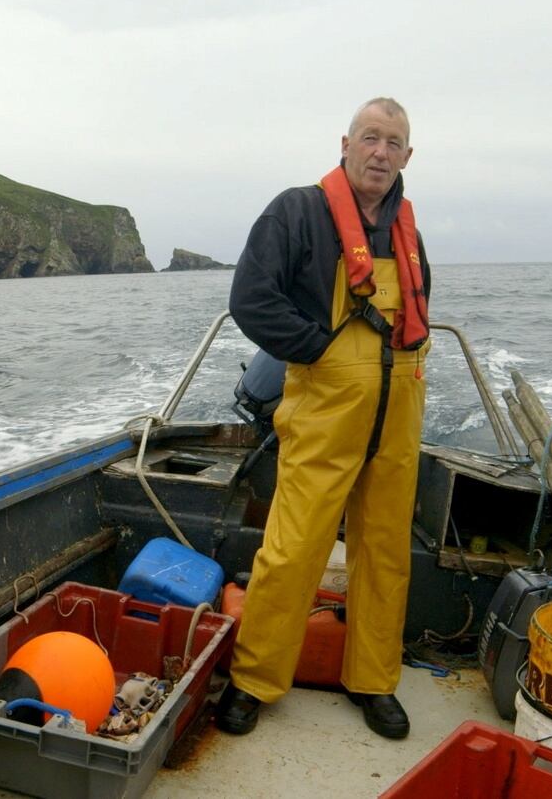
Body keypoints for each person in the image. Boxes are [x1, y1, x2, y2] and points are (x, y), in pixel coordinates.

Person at [217, 97, 431, 739]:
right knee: (292, 548)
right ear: (345, 144)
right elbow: (250, 299)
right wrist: (320, 349)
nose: (380, 153)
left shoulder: (408, 230)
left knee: (387, 551)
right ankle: (253, 680)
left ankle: (373, 682)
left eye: (393, 143)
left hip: (399, 411)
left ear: (408, 157)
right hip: (324, 406)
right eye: (370, 138)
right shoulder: (296, 210)